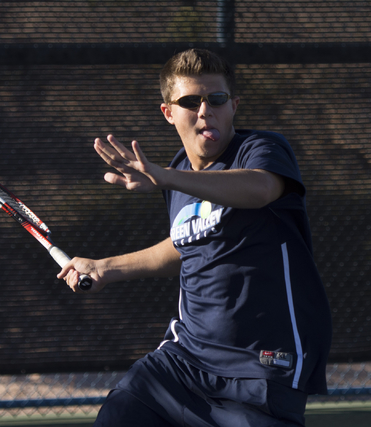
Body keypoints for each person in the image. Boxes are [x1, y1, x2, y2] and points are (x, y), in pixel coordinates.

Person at [58, 48, 332, 427]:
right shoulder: (178, 172)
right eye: (190, 101)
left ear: (233, 105)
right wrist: (106, 267)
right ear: (168, 112)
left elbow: (261, 189)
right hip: (184, 360)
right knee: (119, 415)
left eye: (216, 99)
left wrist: (164, 177)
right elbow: (186, 243)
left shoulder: (261, 150)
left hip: (261, 365)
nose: (205, 110)